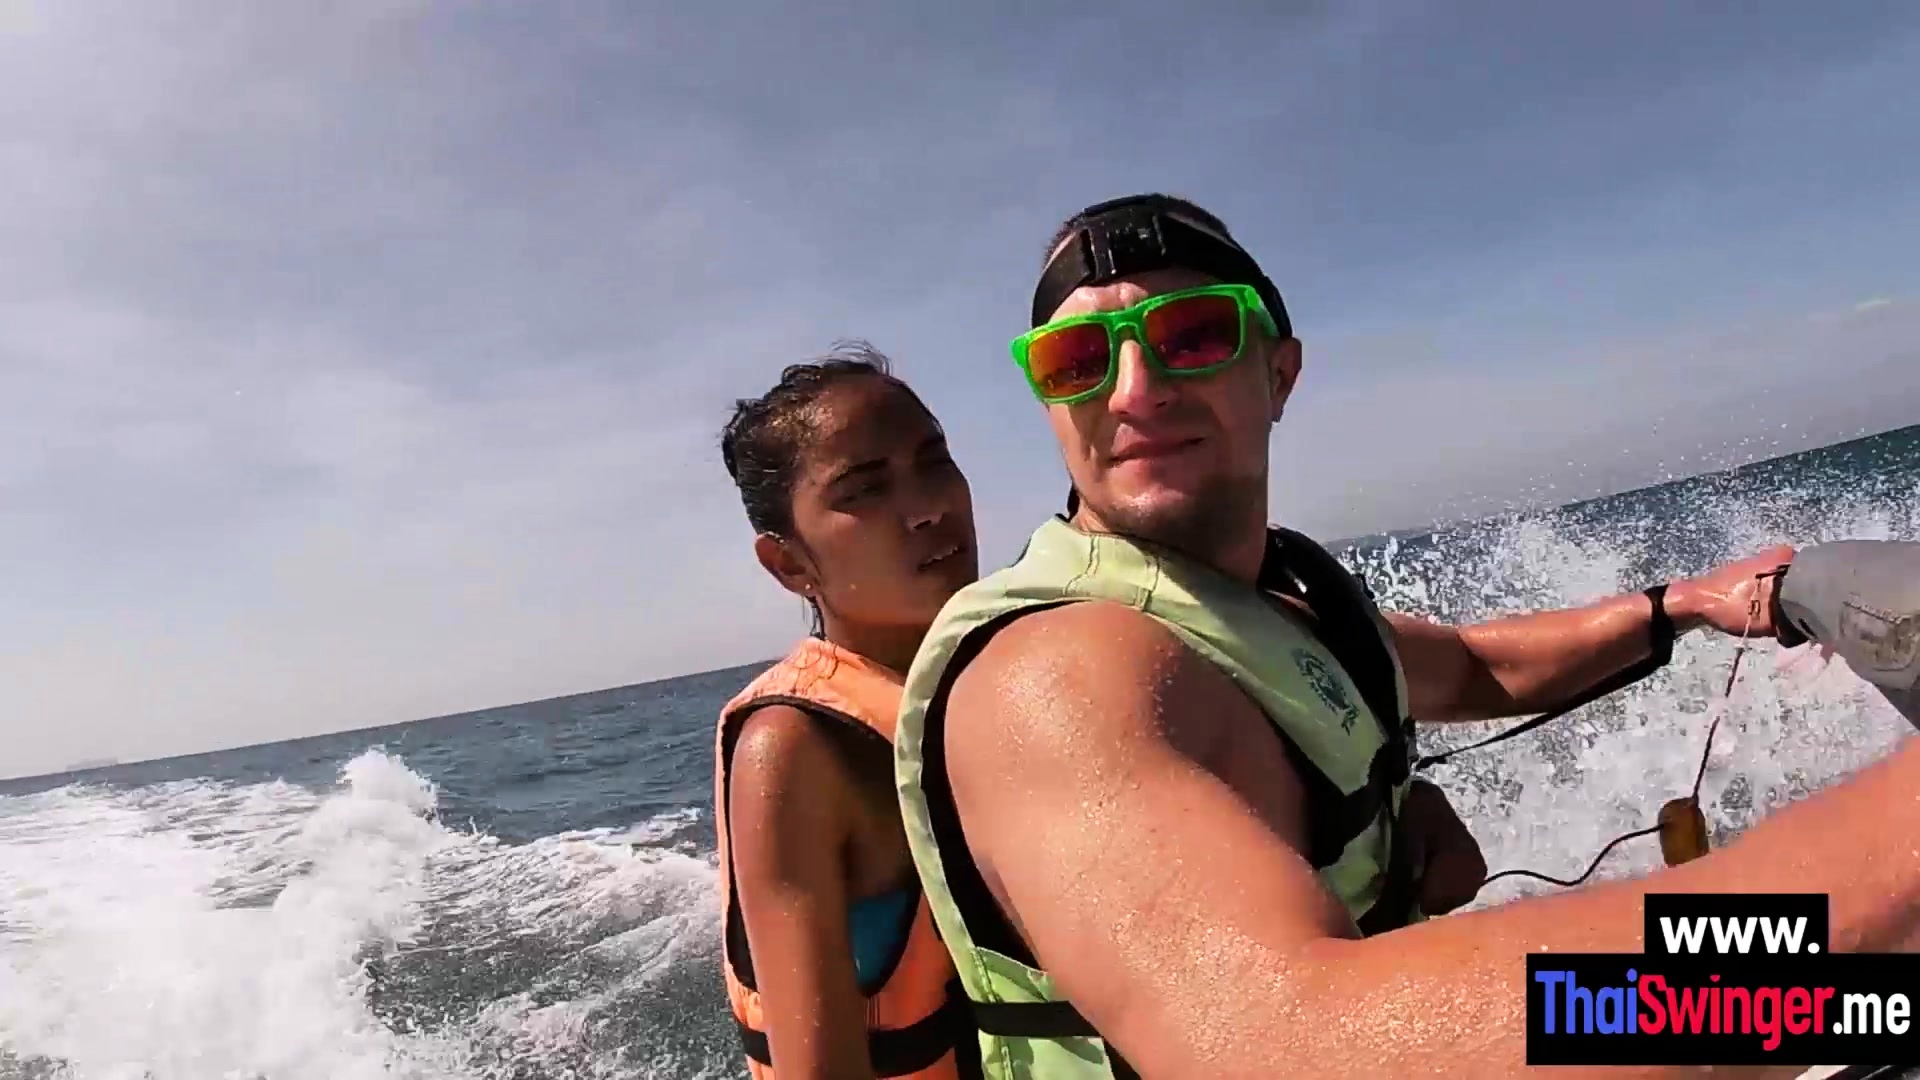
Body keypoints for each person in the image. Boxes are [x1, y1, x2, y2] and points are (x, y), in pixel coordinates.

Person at [887, 193, 1904, 1079]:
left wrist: (1674, 604)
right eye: (1076, 361)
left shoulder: (1278, 599)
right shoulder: (1056, 676)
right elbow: (1291, 1046)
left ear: (1280, 374)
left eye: (1192, 335)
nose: (1133, 389)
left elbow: (1472, 665)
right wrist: (1875, 891)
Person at [713, 343, 981, 1080]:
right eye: (864, 490)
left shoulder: (998, 680)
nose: (928, 507)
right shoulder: (794, 747)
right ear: (790, 563)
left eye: (934, 460)